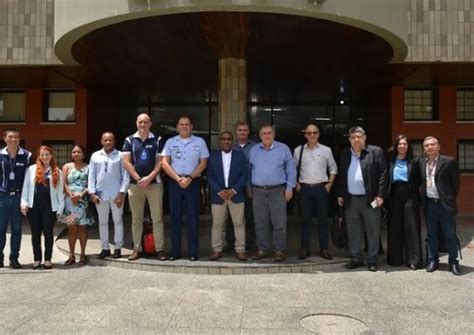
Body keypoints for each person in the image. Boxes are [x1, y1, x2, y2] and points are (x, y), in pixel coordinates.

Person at [336, 126, 387, 272]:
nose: (356, 140)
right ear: (349, 140)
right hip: (351, 199)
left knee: (372, 230)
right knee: (353, 230)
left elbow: (383, 175)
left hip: (370, 199)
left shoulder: (375, 152)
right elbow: (341, 175)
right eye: (353, 137)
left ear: (364, 138)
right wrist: (340, 194)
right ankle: (356, 258)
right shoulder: (345, 153)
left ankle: (372, 259)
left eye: (359, 137)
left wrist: (380, 195)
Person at [161, 115, 209, 261]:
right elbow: (164, 163)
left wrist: (190, 178)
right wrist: (177, 178)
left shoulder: (199, 142)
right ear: (177, 127)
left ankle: (193, 253)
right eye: (181, 124)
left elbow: (203, 163)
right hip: (175, 183)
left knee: (193, 218)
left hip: (192, 182)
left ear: (191, 126)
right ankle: (175, 253)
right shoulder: (170, 142)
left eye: (187, 124)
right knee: (175, 218)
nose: (184, 127)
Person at [248, 124, 296, 262]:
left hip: (278, 190)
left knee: (279, 223)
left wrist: (290, 187)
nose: (267, 136)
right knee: (260, 222)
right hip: (258, 191)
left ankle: (279, 250)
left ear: (274, 134)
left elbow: (291, 170)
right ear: (260, 135)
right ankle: (262, 249)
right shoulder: (254, 150)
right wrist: (249, 187)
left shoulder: (283, 149)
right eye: (264, 133)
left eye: (269, 133)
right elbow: (249, 170)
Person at [122, 113, 167, 261]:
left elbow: (160, 162)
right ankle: (136, 249)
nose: (143, 124)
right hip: (135, 185)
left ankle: (159, 248)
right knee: (136, 219)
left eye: (145, 122)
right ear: (136, 123)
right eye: (140, 122)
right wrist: (139, 179)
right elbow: (126, 162)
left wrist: (149, 178)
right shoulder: (129, 140)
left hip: (155, 184)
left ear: (150, 124)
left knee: (157, 218)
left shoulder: (158, 139)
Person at [294, 122, 337, 260]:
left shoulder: (326, 150)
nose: (312, 135)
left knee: (322, 221)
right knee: (305, 221)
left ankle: (324, 249)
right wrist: (296, 185)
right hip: (305, 189)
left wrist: (329, 184)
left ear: (318, 134)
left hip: (321, 189)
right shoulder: (298, 150)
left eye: (315, 132)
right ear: (305, 135)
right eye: (309, 133)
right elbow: (291, 170)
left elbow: (333, 168)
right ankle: (304, 249)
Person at [420, 136, 461, 275]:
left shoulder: (448, 162)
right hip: (429, 204)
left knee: (449, 234)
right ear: (424, 149)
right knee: (431, 235)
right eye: (426, 145)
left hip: (444, 205)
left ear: (439, 146)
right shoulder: (421, 163)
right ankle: (433, 260)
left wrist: (448, 199)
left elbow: (455, 185)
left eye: (432, 144)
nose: (429, 147)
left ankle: (453, 262)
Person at [20, 146, 64, 269]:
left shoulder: (57, 171)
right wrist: (24, 203)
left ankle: (48, 259)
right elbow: (26, 188)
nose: (45, 157)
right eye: (42, 155)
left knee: (48, 233)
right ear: (39, 156)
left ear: (51, 156)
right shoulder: (31, 169)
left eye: (47, 154)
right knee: (35, 233)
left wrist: (60, 208)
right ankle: (37, 259)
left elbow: (60, 192)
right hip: (34, 207)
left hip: (50, 207)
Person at [207, 131, 248, 261]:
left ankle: (240, 250)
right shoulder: (212, 157)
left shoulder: (240, 156)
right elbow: (209, 176)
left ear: (232, 141)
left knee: (239, 223)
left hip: (236, 194)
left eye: (229, 139)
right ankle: (217, 250)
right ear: (220, 141)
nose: (226, 141)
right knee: (217, 224)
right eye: (223, 139)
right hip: (218, 195)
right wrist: (219, 191)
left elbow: (244, 175)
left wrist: (234, 190)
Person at [89, 132, 130, 259]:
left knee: (117, 221)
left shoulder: (120, 155)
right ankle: (105, 248)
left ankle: (118, 247)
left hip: (116, 194)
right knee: (102, 222)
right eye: (105, 140)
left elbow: (125, 176)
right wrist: (92, 193)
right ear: (101, 141)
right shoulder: (95, 156)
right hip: (100, 195)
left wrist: (122, 193)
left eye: (110, 140)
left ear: (114, 141)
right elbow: (91, 175)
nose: (108, 142)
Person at [386, 134, 422, 270]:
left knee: (411, 227)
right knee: (395, 226)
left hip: (410, 195)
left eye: (405, 144)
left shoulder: (415, 161)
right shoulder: (390, 160)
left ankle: (414, 260)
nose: (402, 146)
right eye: (400, 144)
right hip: (394, 194)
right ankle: (395, 259)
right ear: (396, 146)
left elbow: (419, 179)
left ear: (408, 147)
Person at [0, 128, 33, 269]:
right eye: (10, 137)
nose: (13, 140)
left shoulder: (27, 155)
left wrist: (26, 199)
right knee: (0, 229)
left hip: (19, 197)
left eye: (16, 137)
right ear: (4, 138)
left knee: (17, 229)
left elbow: (31, 178)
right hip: (2, 197)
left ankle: (14, 258)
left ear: (20, 139)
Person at [62, 145, 91, 266]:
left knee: (82, 229)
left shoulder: (89, 167)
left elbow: (92, 183)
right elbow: (63, 183)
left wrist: (80, 195)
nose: (76, 154)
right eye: (74, 152)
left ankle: (83, 254)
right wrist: (71, 195)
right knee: (71, 229)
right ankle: (71, 255)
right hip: (69, 201)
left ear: (83, 154)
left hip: (83, 201)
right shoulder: (67, 167)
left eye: (79, 152)